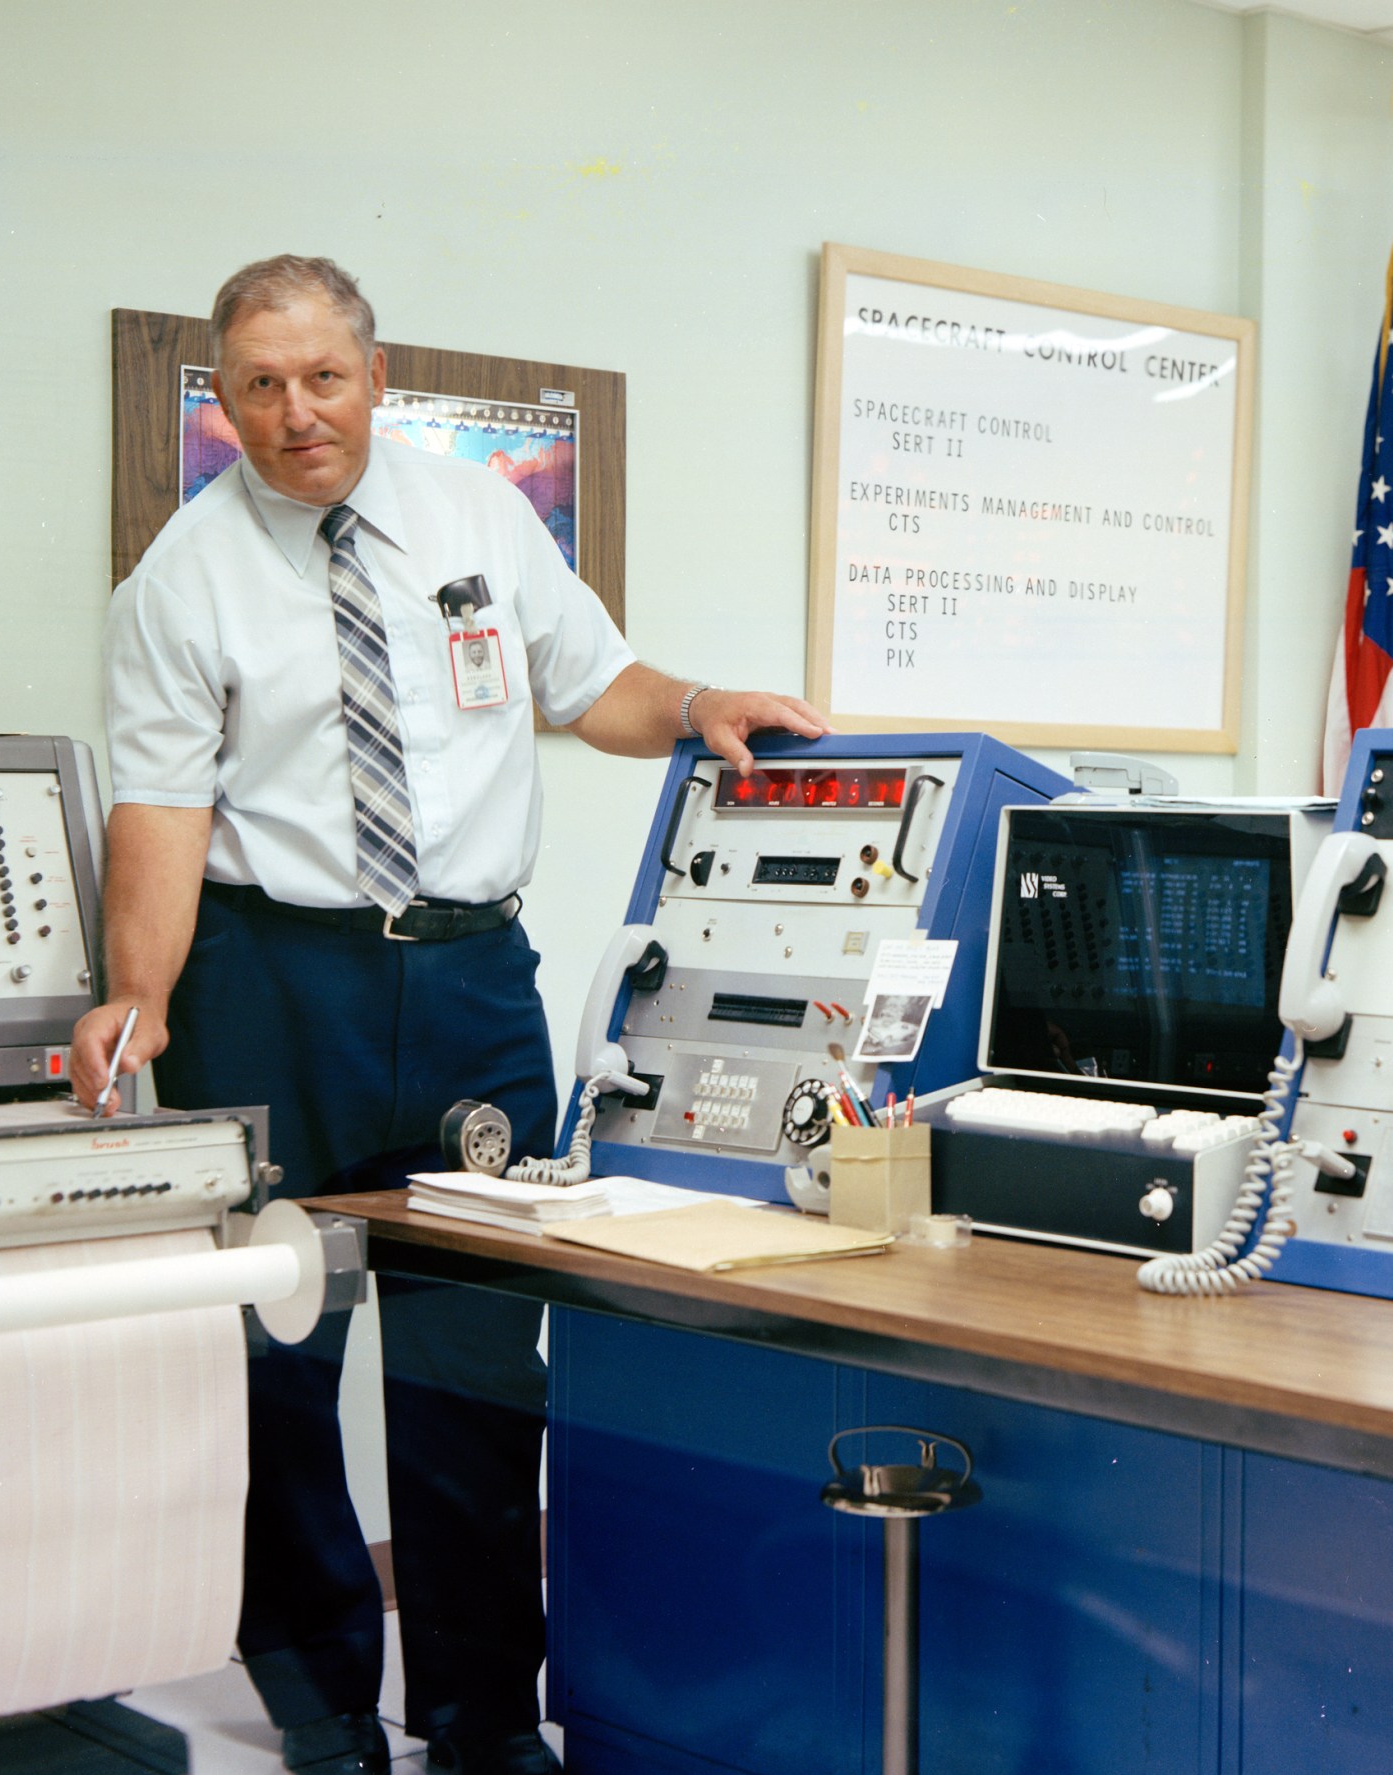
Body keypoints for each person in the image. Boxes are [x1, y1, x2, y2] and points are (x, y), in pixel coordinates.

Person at [70, 254, 828, 1775]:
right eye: (263, 386)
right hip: (272, 983)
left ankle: (485, 1717)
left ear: (374, 369)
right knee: (279, 1353)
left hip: (476, 981)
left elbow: (591, 680)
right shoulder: (181, 582)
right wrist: (135, 1002)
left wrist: (695, 710)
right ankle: (321, 1703)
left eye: (324, 378)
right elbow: (162, 809)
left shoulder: (478, 515)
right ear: (225, 397)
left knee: (479, 1356)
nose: (298, 416)